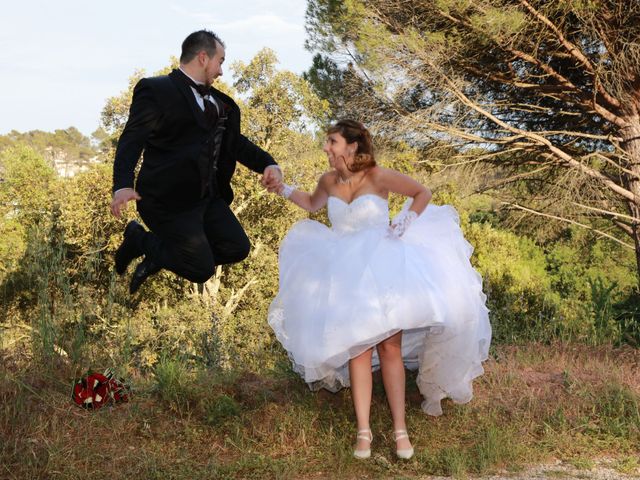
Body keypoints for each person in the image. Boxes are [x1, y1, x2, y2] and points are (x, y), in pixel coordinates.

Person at [268, 120, 491, 460]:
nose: (326, 147)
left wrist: (405, 222)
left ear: (352, 146)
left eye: (332, 141)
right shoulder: (327, 180)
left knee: (390, 347)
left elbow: (422, 193)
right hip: (345, 271)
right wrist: (282, 188)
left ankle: (400, 430)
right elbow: (312, 203)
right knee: (356, 348)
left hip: (383, 265)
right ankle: (363, 432)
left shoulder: (378, 176)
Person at [110, 30, 282, 293]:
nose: (222, 71)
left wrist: (268, 163)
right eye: (220, 61)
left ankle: (160, 253)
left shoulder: (220, 103)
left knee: (237, 248)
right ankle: (139, 239)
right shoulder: (156, 90)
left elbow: (235, 144)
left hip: (206, 198)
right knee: (200, 269)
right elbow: (131, 140)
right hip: (166, 201)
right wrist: (122, 184)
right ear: (203, 57)